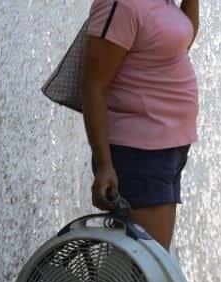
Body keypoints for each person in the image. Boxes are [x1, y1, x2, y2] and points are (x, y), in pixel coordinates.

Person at [83, 0, 199, 250]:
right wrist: (104, 165)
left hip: (168, 149)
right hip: (138, 154)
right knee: (145, 268)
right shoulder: (121, 5)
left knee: (149, 263)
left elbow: (182, 42)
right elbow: (94, 86)